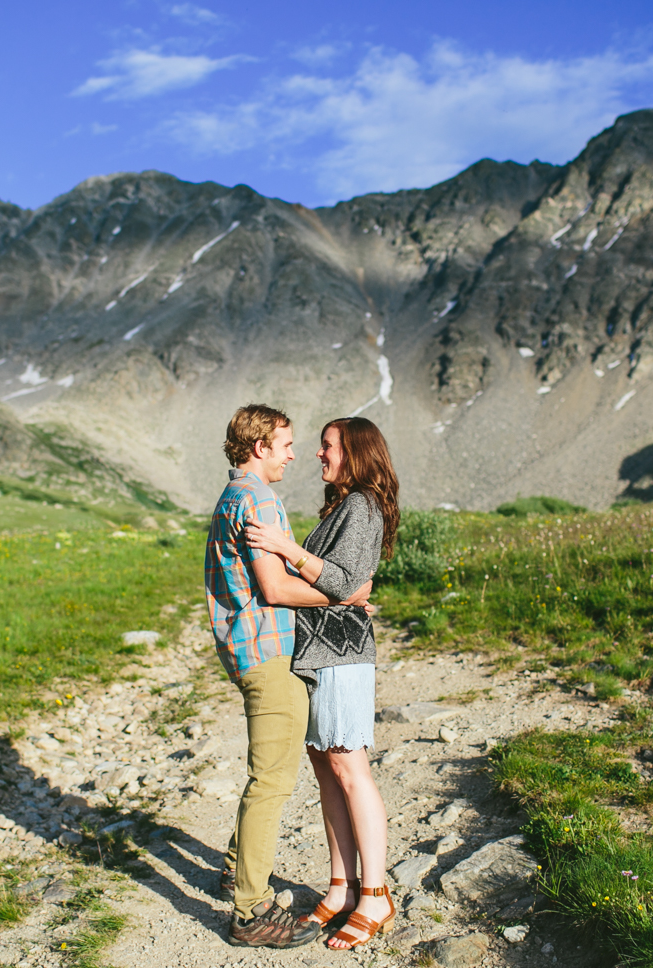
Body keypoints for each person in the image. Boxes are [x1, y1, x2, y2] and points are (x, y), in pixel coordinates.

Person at [204, 404, 373, 949]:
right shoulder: (258, 500)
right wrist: (343, 595)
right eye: (286, 444)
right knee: (271, 780)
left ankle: (236, 868)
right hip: (270, 655)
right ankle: (250, 910)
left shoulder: (233, 496)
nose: (296, 455)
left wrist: (338, 600)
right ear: (260, 448)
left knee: (270, 772)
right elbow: (276, 590)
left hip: (251, 650)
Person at [245, 416, 400, 950]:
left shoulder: (361, 506)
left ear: (354, 452)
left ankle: (375, 894)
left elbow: (344, 582)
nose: (317, 454)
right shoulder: (344, 507)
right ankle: (341, 887)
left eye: (327, 445)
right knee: (327, 768)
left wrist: (285, 548)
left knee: (350, 768)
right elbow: (346, 584)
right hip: (321, 654)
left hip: (342, 655)